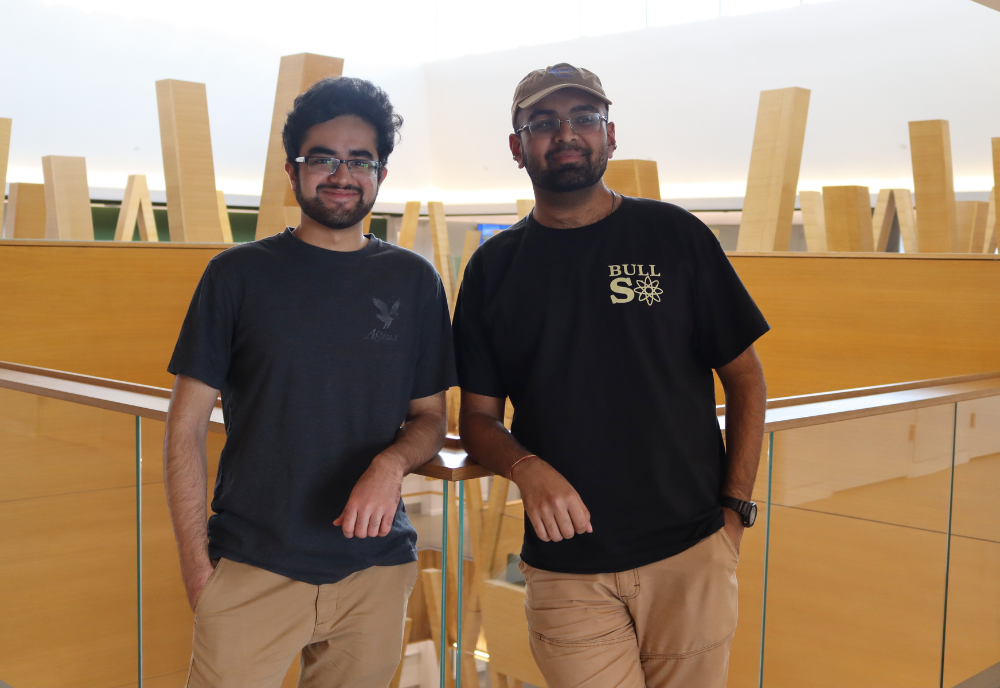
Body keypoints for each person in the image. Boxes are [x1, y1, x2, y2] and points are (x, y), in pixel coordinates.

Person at [452, 63, 769, 688]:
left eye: (584, 118)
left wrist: (734, 511)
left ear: (611, 135)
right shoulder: (493, 269)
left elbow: (746, 379)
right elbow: (478, 421)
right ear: (518, 148)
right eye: (542, 123)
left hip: (691, 553)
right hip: (567, 572)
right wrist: (526, 469)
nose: (565, 133)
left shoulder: (674, 234)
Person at [164, 76, 456, 688]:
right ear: (292, 169)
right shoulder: (236, 275)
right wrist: (197, 566)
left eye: (359, 160)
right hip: (252, 564)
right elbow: (186, 424)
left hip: (374, 572)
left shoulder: (414, 280)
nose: (341, 174)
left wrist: (388, 467)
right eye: (322, 158)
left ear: (381, 172)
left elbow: (431, 418)